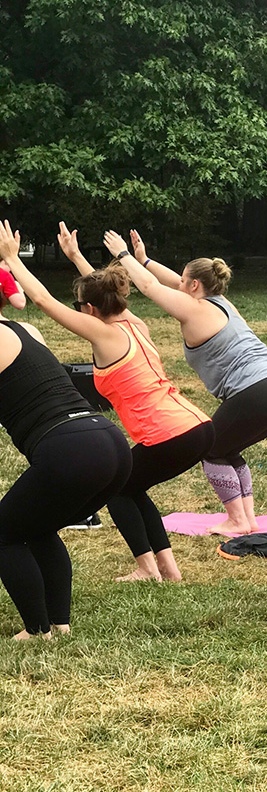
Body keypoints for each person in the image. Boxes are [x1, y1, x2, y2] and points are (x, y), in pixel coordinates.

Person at [7, 232, 213, 582]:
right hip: (196, 425)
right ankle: (168, 570)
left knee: (117, 489)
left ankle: (147, 569)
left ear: (89, 310)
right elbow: (105, 292)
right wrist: (74, 257)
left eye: (81, 305)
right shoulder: (136, 325)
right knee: (132, 487)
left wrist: (12, 259)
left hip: (170, 431)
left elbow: (41, 299)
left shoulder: (103, 334)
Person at [86, 227, 267, 536]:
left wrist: (123, 256)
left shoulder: (195, 308)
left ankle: (237, 520)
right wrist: (144, 260)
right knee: (228, 448)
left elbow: (148, 287)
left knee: (211, 448)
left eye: (184, 280)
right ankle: (247, 519)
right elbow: (169, 281)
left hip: (258, 389)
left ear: (195, 285)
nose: (178, 283)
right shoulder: (218, 301)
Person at [0, 221, 133, 639]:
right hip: (108, 443)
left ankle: (37, 630)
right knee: (35, 527)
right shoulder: (26, 330)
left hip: (70, 449)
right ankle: (59, 625)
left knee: (3, 533)